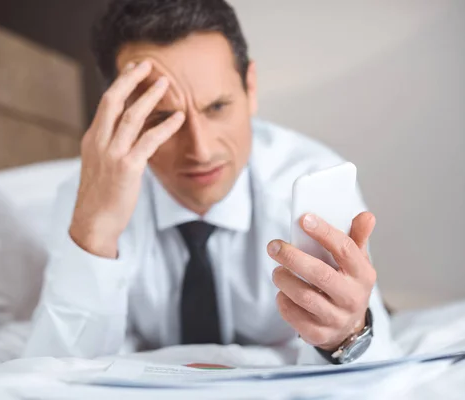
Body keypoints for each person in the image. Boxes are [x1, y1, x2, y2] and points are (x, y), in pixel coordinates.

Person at [24, 0, 396, 365]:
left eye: (217, 107)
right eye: (162, 118)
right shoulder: (88, 196)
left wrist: (346, 334)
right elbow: (50, 372)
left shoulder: (313, 182)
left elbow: (374, 361)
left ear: (250, 88)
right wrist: (95, 234)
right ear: (123, 113)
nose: (200, 150)